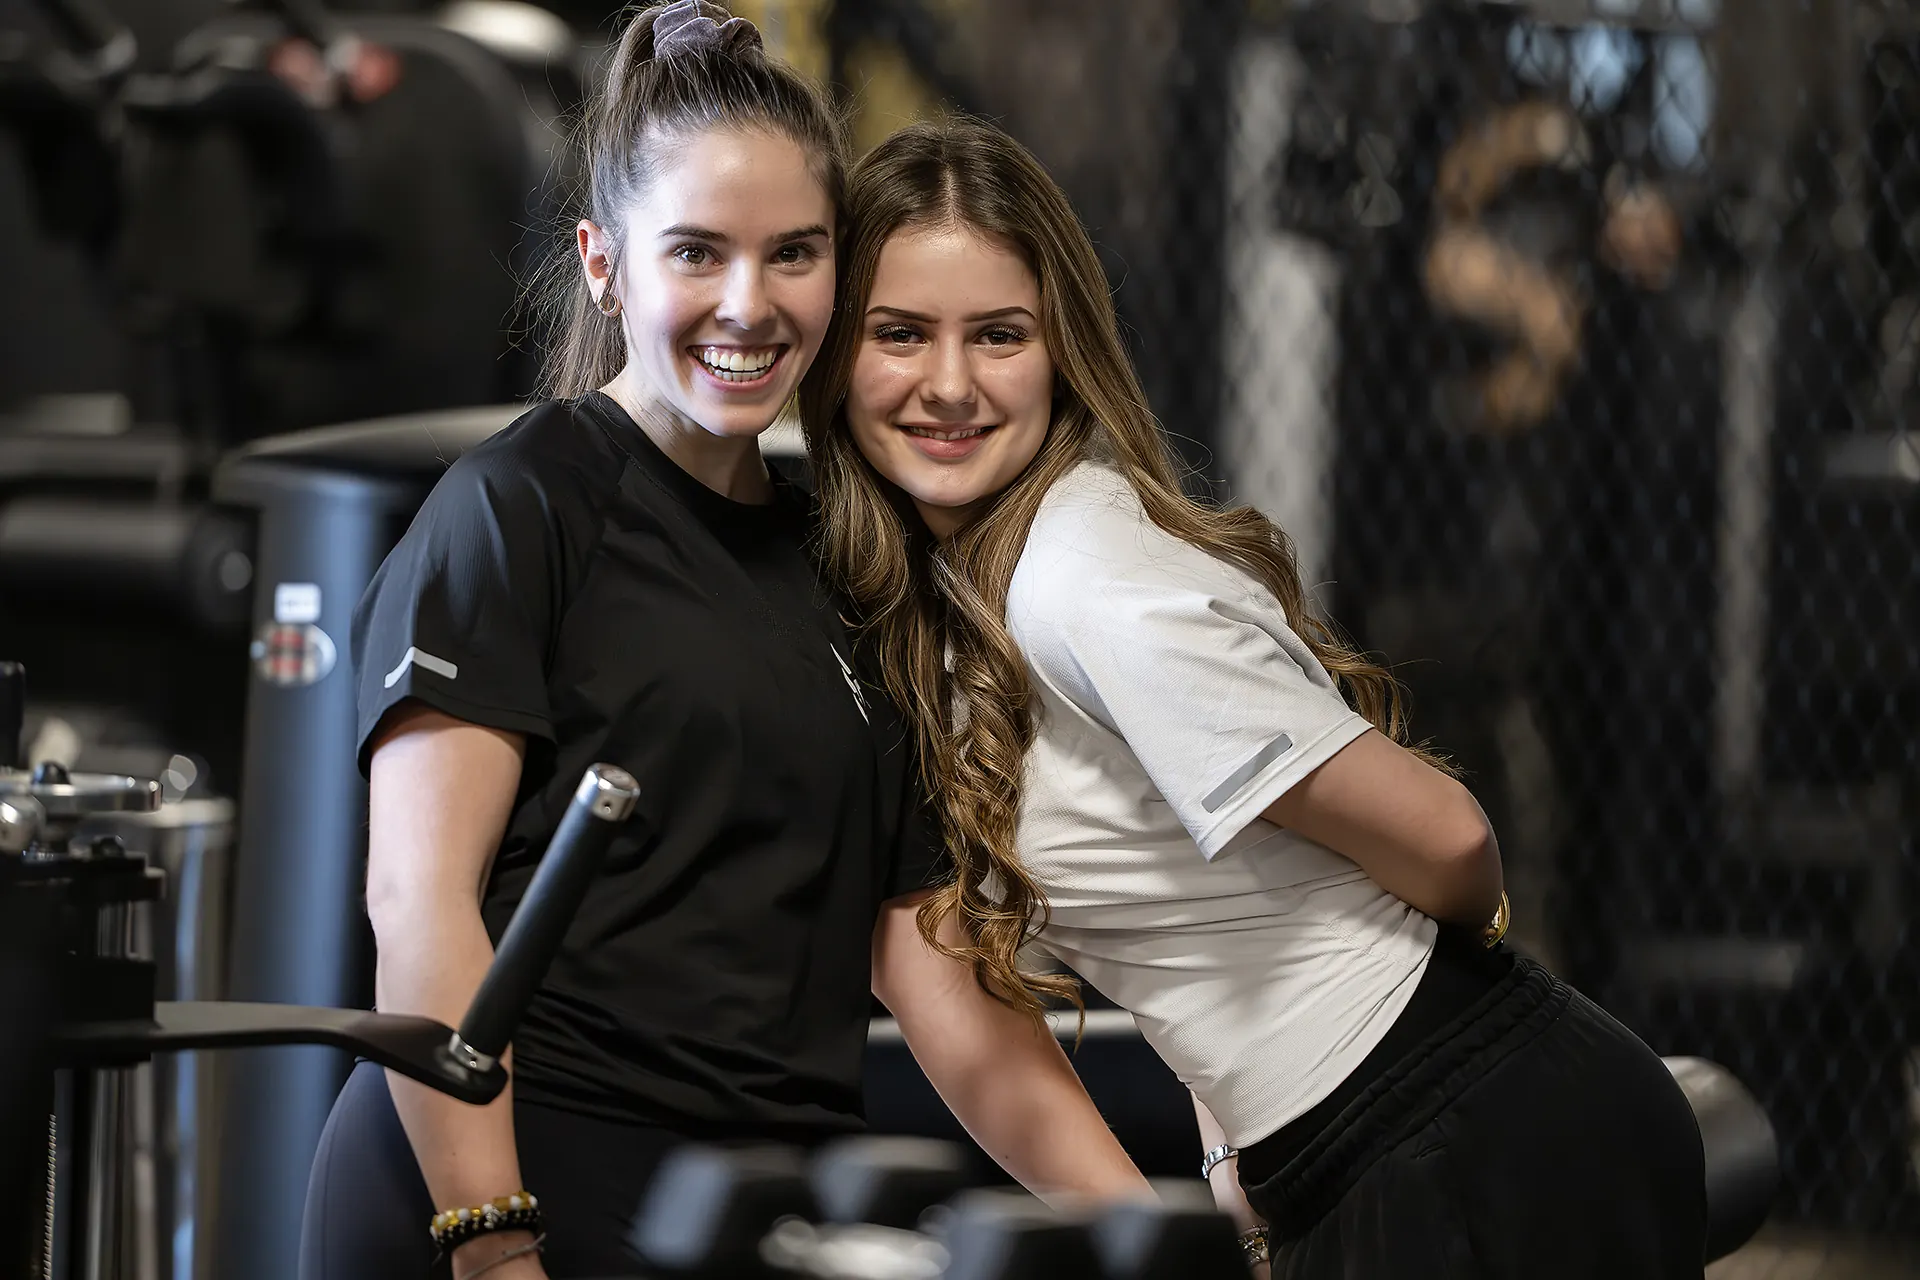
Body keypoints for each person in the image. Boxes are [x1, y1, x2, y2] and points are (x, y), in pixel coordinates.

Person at [297, 12, 1148, 1280]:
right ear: (604, 264)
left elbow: (938, 980)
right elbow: (419, 903)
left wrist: (1156, 1228)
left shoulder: (847, 561)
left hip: (749, 1211)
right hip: (505, 1180)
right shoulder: (519, 506)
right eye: (697, 251)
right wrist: (491, 1239)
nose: (748, 304)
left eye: (793, 253)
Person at [801, 116, 1708, 1279]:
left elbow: (1450, 837)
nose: (950, 383)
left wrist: (1402, 1011)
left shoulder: (1081, 582)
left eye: (999, 333)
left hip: (1475, 1134)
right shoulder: (947, 593)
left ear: (1062, 347)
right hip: (1353, 1149)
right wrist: (1230, 1125)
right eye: (900, 332)